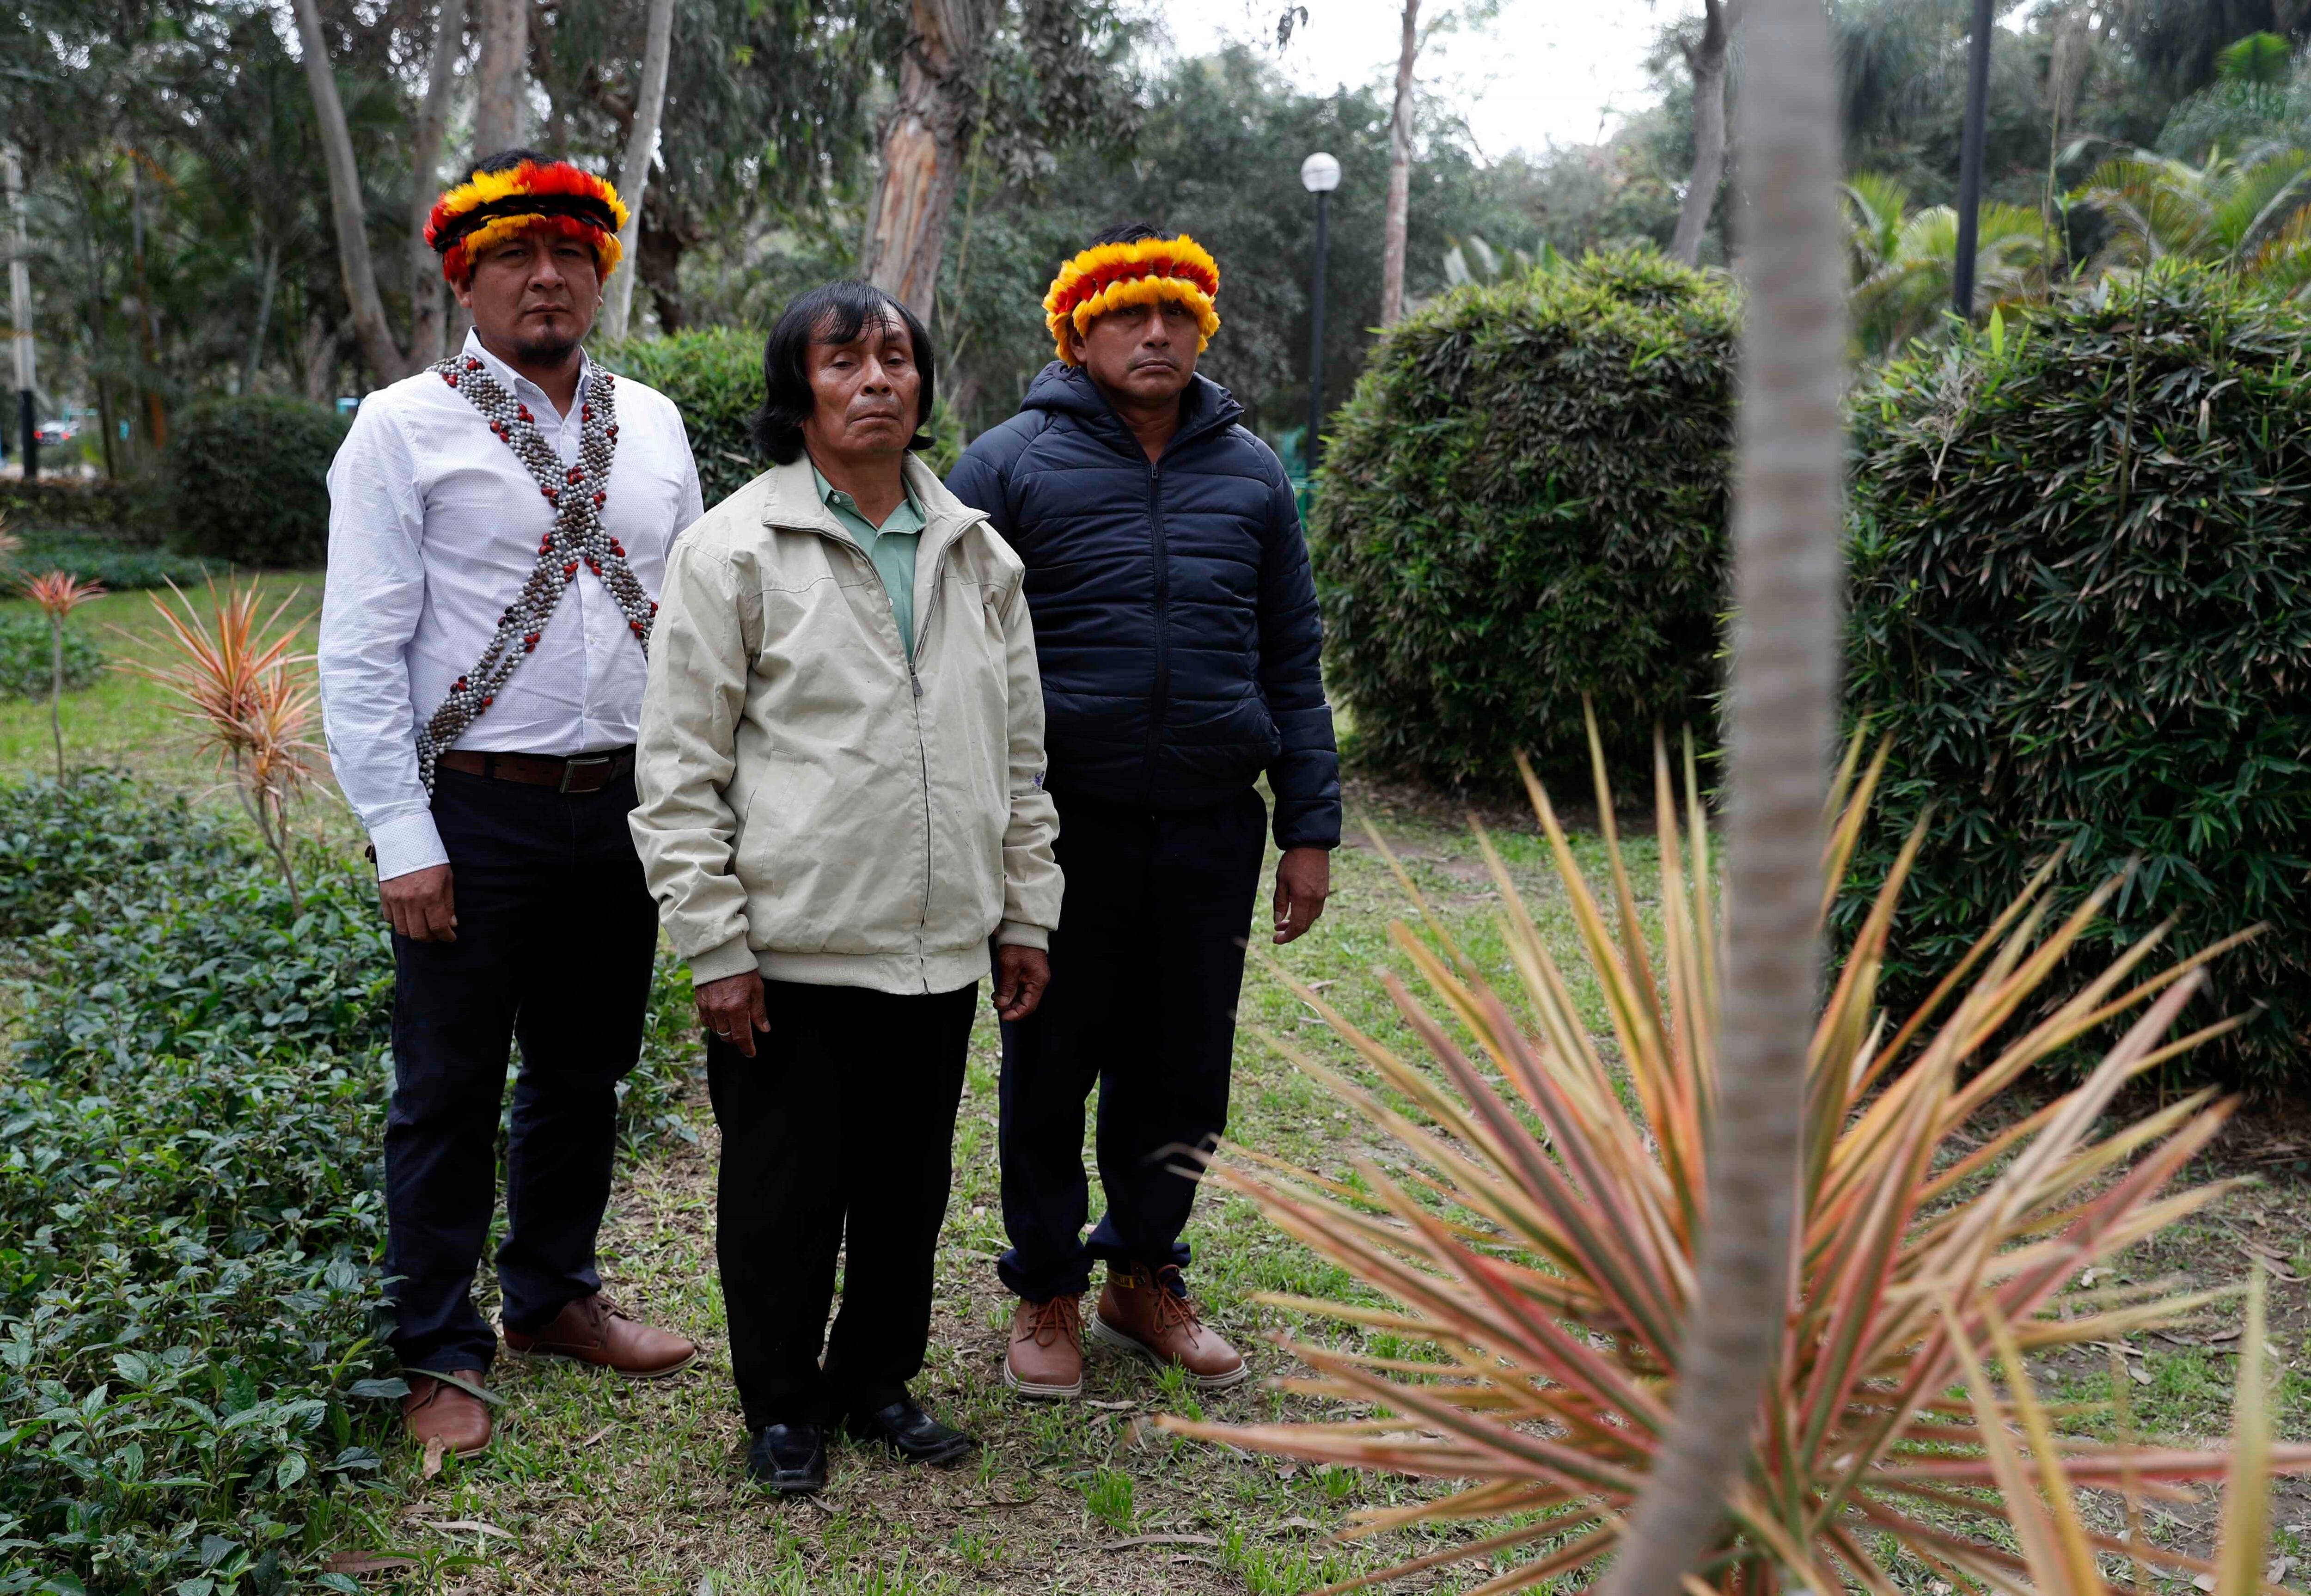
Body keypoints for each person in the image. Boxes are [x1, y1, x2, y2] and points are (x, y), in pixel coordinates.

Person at [629, 281, 1061, 1494]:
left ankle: (878, 1376)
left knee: (908, 1187)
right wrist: (716, 943)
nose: (877, 379)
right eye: (843, 362)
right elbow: (677, 772)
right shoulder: (732, 550)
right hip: (793, 953)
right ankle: (781, 1403)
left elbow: (1019, 758)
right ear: (798, 393)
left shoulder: (978, 552)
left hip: (937, 947)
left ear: (923, 386)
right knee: (782, 1194)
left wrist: (1025, 910)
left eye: (896, 359)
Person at [318, 149, 703, 1461]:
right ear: (464, 278)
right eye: (514, 257)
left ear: (600, 273)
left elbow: (696, 622)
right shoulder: (399, 425)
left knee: (585, 1073)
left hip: (628, 802)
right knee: (447, 1087)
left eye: (569, 255)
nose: (546, 276)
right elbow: (362, 653)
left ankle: (550, 1295)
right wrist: (402, 834)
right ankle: (437, 1343)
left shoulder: (649, 424)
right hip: (472, 814)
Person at [947, 226, 1341, 1402]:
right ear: (1078, 332)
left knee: (1182, 1066)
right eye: (1128, 316)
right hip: (1062, 829)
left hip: (1214, 823)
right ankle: (1048, 1288)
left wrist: (1307, 824)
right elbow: (952, 661)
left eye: (1174, 315)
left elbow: (1293, 652)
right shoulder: (1006, 465)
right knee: (1049, 1058)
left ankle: (1144, 1273)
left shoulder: (1253, 474)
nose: (1155, 333)